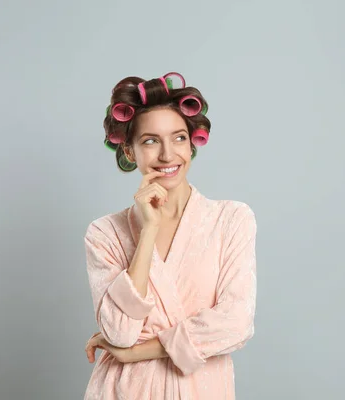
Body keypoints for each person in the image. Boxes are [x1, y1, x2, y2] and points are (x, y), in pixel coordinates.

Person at [82, 72, 257, 400]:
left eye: (178, 138)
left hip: (201, 390)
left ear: (191, 144)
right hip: (124, 390)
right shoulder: (104, 233)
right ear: (130, 152)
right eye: (150, 141)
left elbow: (236, 323)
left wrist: (136, 352)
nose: (167, 154)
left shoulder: (231, 220)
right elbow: (120, 332)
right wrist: (148, 230)